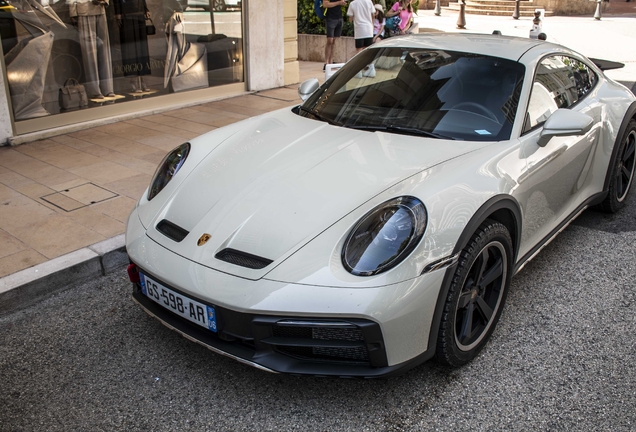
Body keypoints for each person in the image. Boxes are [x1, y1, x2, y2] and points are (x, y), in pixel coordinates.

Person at [322, 0, 347, 70]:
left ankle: (331, 61)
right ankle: (326, 62)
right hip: (330, 18)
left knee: (334, 41)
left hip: (339, 17)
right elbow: (325, 4)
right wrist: (338, 3)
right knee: (330, 40)